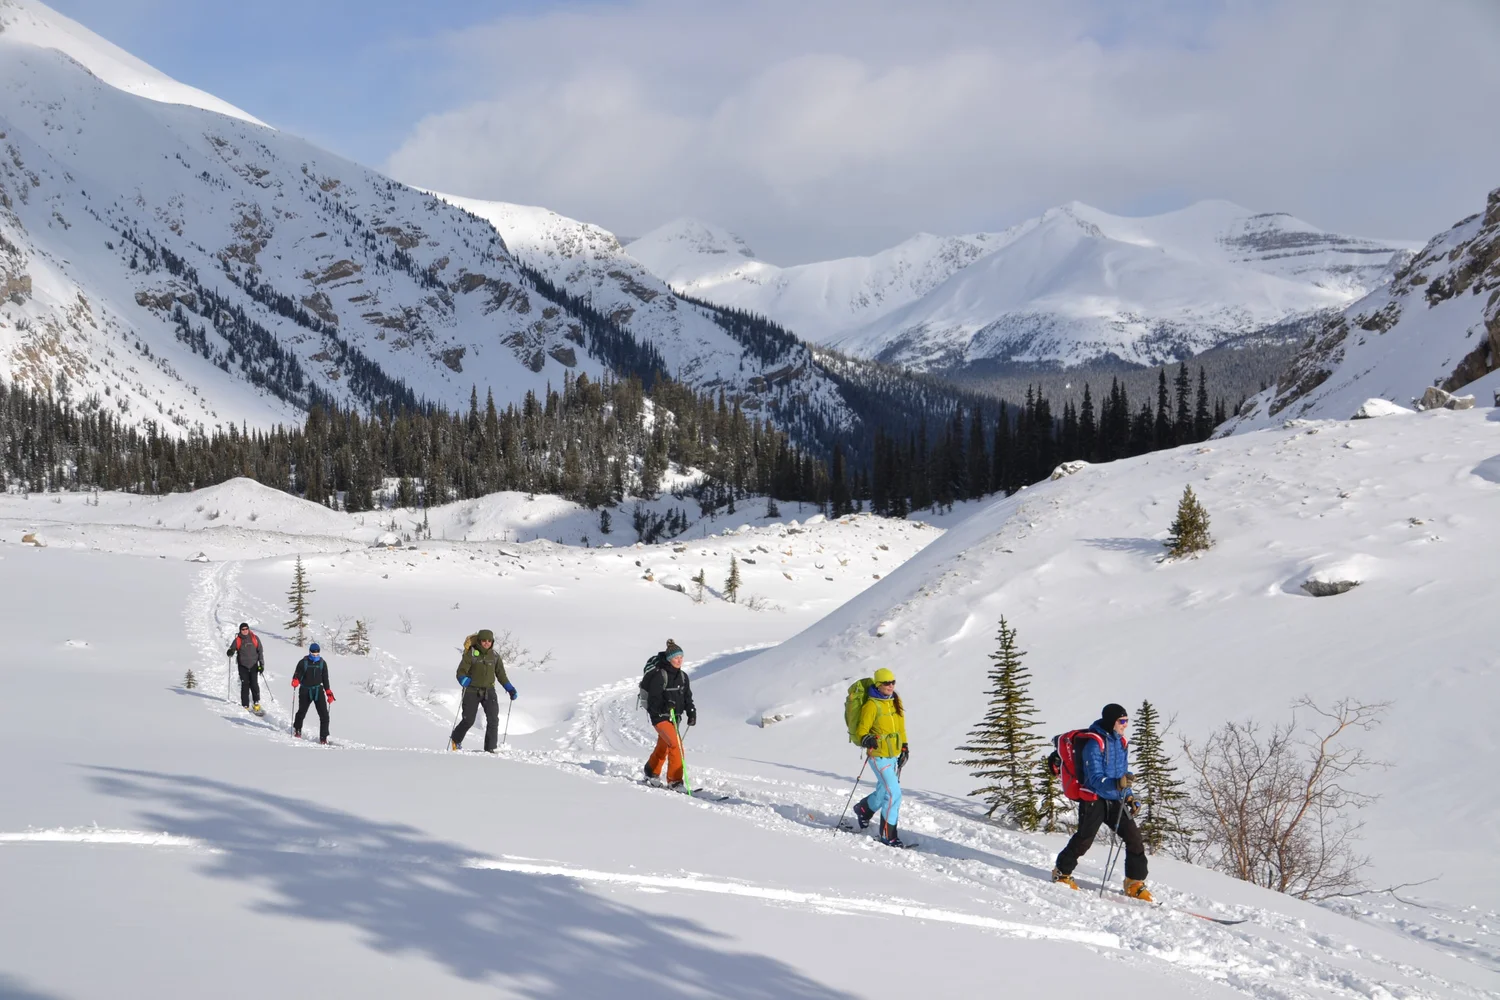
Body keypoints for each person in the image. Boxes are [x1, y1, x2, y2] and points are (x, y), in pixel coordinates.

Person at [1052, 703, 1152, 901]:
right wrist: (1117, 784)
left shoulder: (1121, 743)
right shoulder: (1094, 744)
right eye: (1121, 721)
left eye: (1126, 721)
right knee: (1084, 840)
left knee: (1134, 838)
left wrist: (1129, 795)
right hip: (1094, 799)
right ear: (1111, 722)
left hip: (1115, 798)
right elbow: (1094, 780)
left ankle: (1134, 882)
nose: (1125, 725)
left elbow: (1123, 776)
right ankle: (1061, 873)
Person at [851, 668, 909, 847]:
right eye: (886, 683)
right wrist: (866, 738)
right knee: (894, 793)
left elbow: (900, 728)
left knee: (884, 791)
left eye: (893, 682)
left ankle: (864, 809)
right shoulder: (871, 705)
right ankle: (888, 835)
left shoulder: (895, 701)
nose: (891, 685)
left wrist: (904, 747)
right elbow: (862, 730)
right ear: (878, 684)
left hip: (894, 754)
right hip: (878, 756)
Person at [449, 629, 516, 753]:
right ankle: (456, 739)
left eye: (489, 641)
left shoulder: (495, 656)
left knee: (493, 719)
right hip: (471, 691)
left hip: (489, 691)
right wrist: (463, 679)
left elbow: (501, 674)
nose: (486, 643)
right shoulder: (471, 654)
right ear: (479, 641)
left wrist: (509, 688)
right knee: (468, 720)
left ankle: (490, 748)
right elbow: (461, 671)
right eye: (484, 640)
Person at [641, 640, 695, 789]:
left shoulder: (683, 676)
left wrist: (691, 712)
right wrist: (666, 705)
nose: (679, 660)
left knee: (664, 746)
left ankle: (651, 771)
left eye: (681, 657)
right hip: (660, 717)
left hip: (674, 717)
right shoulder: (660, 675)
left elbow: (687, 697)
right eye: (676, 658)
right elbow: (654, 699)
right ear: (669, 659)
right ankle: (675, 781)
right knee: (676, 746)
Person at [291, 642, 335, 744]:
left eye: (317, 653)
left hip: (318, 690)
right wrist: (295, 680)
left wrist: (328, 691)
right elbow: (296, 674)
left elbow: (325, 678)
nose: (315, 655)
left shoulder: (322, 663)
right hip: (305, 690)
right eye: (313, 653)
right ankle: (297, 729)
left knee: (324, 715)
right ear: (310, 652)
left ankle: (323, 737)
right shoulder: (303, 662)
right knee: (302, 711)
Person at [225, 622, 264, 712]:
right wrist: (230, 652)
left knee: (254, 684)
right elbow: (232, 649)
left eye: (246, 629)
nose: (245, 631)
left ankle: (256, 702)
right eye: (243, 629)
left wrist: (261, 665)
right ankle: (245, 704)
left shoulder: (255, 638)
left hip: (254, 665)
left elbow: (260, 652)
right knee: (245, 685)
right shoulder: (237, 640)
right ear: (240, 630)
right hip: (243, 666)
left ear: (248, 629)